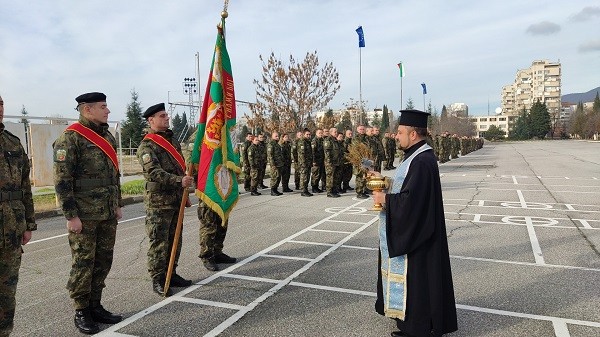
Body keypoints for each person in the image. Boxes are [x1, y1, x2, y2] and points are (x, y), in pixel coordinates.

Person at [372, 110, 457, 337]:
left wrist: (385, 200)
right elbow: (408, 189)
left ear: (413, 134)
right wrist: (385, 182)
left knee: (417, 282)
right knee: (417, 282)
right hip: (420, 232)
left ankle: (417, 330)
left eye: (400, 132)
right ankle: (411, 326)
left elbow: (413, 203)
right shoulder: (415, 156)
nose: (396, 136)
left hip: (419, 236)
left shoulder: (421, 161)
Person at [53, 92, 123, 334]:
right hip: (84, 215)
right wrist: (70, 215)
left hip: (106, 212)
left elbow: (115, 175)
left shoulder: (107, 136)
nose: (108, 110)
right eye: (103, 107)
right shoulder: (71, 138)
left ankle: (95, 305)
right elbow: (62, 181)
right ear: (87, 109)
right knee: (84, 263)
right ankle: (81, 310)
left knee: (103, 261)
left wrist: (117, 203)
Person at [137, 103, 194, 297]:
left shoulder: (172, 140)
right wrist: (180, 181)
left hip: (175, 199)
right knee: (159, 242)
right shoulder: (147, 145)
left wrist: (183, 189)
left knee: (174, 240)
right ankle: (158, 278)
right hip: (158, 203)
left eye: (167, 115)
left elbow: (179, 167)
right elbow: (153, 172)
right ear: (151, 120)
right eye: (162, 116)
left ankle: (172, 272)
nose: (167, 118)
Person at [0, 94, 37, 336]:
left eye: (1, 103)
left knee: (6, 292)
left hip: (11, 231)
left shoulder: (12, 143)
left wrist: (28, 224)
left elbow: (25, 187)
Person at [197, 201, 236, 271]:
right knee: (209, 227)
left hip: (222, 197)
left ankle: (217, 253)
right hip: (208, 196)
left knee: (222, 225)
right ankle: (207, 256)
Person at [323, 128, 341, 198]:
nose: (336, 133)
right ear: (330, 132)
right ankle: (329, 191)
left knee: (335, 177)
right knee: (330, 177)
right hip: (330, 162)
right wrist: (329, 162)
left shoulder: (335, 140)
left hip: (336, 162)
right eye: (335, 132)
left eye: (337, 132)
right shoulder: (328, 140)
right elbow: (327, 152)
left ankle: (334, 190)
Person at [266, 131, 284, 196]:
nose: (277, 137)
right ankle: (272, 190)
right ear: (272, 137)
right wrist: (273, 165)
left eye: (278, 136)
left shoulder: (277, 144)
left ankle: (275, 190)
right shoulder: (271, 144)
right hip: (275, 165)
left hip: (279, 164)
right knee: (274, 177)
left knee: (278, 177)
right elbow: (270, 156)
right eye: (276, 136)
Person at [298, 128, 313, 197]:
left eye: (309, 134)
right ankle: (303, 191)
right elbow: (302, 154)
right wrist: (303, 163)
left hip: (308, 162)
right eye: (307, 134)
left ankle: (306, 189)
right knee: (303, 177)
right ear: (304, 134)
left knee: (307, 177)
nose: (308, 136)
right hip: (304, 163)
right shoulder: (302, 142)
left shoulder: (308, 142)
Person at [310, 129, 325, 193]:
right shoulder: (314, 141)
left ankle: (316, 187)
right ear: (316, 133)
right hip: (316, 160)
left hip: (321, 160)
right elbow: (313, 152)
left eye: (321, 133)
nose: (321, 134)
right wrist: (313, 161)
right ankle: (314, 187)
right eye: (319, 133)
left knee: (319, 174)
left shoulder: (322, 140)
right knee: (315, 174)